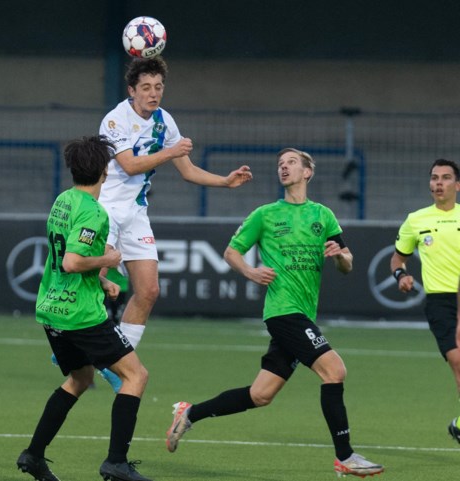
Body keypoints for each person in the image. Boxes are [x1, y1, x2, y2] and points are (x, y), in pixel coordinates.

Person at [165, 148, 384, 478]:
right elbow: (230, 252)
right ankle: (345, 456)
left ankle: (191, 413)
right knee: (334, 371)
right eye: (280, 164)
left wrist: (339, 256)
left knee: (261, 395)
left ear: (307, 172)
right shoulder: (265, 214)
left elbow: (348, 263)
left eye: (291, 162)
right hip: (283, 312)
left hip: (304, 313)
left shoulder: (323, 216)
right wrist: (251, 273)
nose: (284, 167)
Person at [97, 56, 252, 377]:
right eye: (146, 88)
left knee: (149, 291)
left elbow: (188, 169)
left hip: (136, 213)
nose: (153, 93)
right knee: (95, 283)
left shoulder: (165, 121)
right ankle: (74, 347)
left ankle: (114, 363)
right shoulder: (115, 120)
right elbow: (128, 165)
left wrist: (225, 181)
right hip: (106, 210)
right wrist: (172, 150)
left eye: (158, 87)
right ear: (132, 90)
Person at [17, 135, 152, 481]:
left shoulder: (63, 199)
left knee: (80, 378)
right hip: (81, 314)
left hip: (52, 308)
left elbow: (63, 257)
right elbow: (73, 261)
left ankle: (33, 455)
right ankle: (116, 463)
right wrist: (109, 258)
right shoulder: (94, 212)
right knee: (135, 376)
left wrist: (102, 280)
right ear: (105, 170)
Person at [390, 158, 460, 443]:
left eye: (445, 177)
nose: (438, 183)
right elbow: (398, 258)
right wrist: (400, 275)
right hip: (440, 302)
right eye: (434, 178)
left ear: (457, 184)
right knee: (457, 359)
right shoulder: (416, 220)